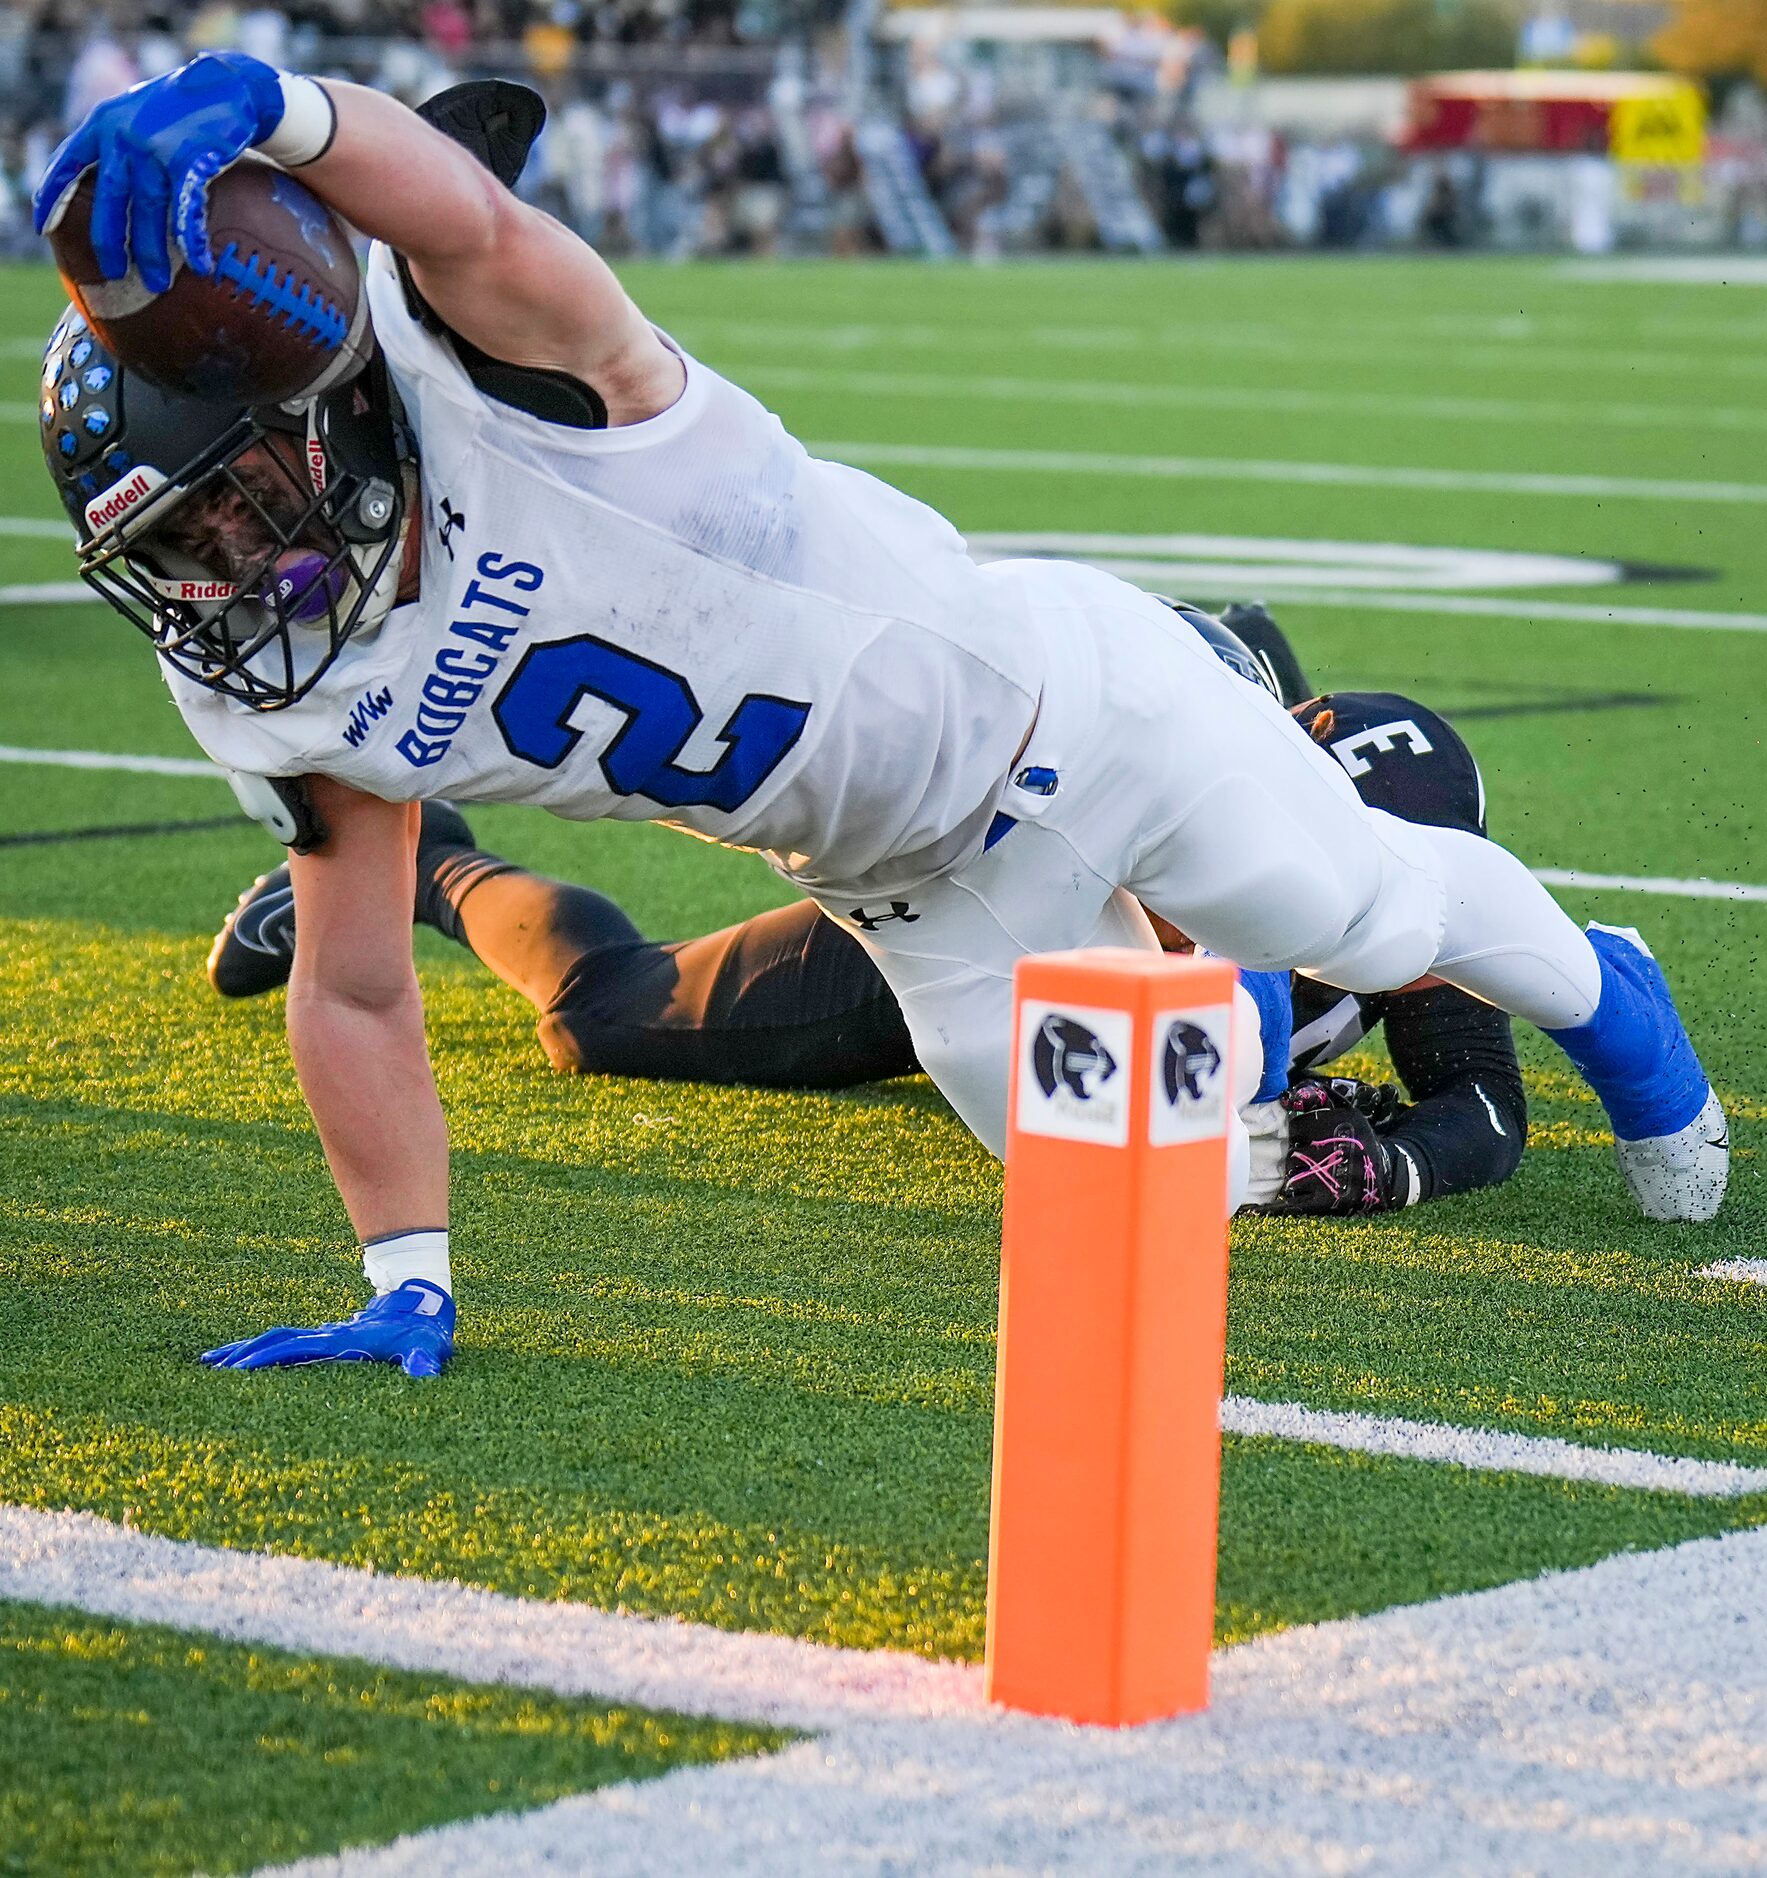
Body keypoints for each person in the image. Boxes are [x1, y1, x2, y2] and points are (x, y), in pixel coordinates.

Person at [34, 62, 1727, 1378]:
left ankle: (1619, 1011)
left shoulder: (522, 386)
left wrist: (279, 110)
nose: (226, 575)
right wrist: (407, 1275)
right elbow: (347, 979)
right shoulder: (290, 680)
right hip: (919, 897)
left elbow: (468, 227)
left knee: (1358, 904)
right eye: (176, 554)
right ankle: (1253, 1034)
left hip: (1090, 705)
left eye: (233, 510)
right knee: (1162, 1188)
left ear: (323, 417)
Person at [205, 604, 1527, 1219]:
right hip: (969, 929)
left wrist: (1390, 1164)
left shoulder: (1397, 891)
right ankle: (438, 863)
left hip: (1064, 998)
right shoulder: (1207, 795)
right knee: (605, 1017)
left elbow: (1486, 1108)